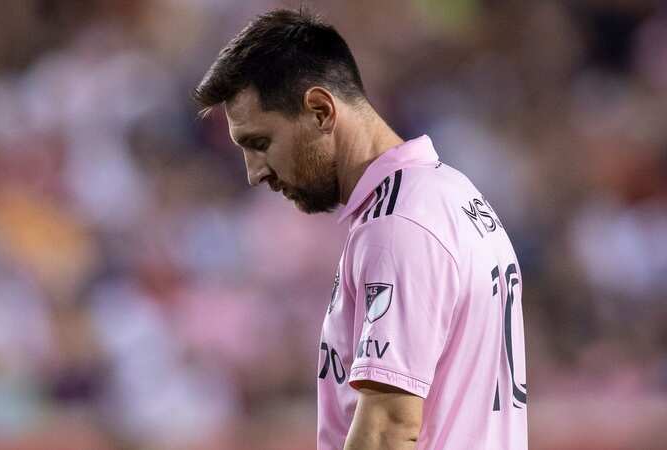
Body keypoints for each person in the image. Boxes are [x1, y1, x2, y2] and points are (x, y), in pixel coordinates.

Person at [193, 8, 528, 450]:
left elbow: (389, 426)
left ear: (319, 110)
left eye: (260, 143)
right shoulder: (449, 193)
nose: (255, 173)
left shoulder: (398, 224)